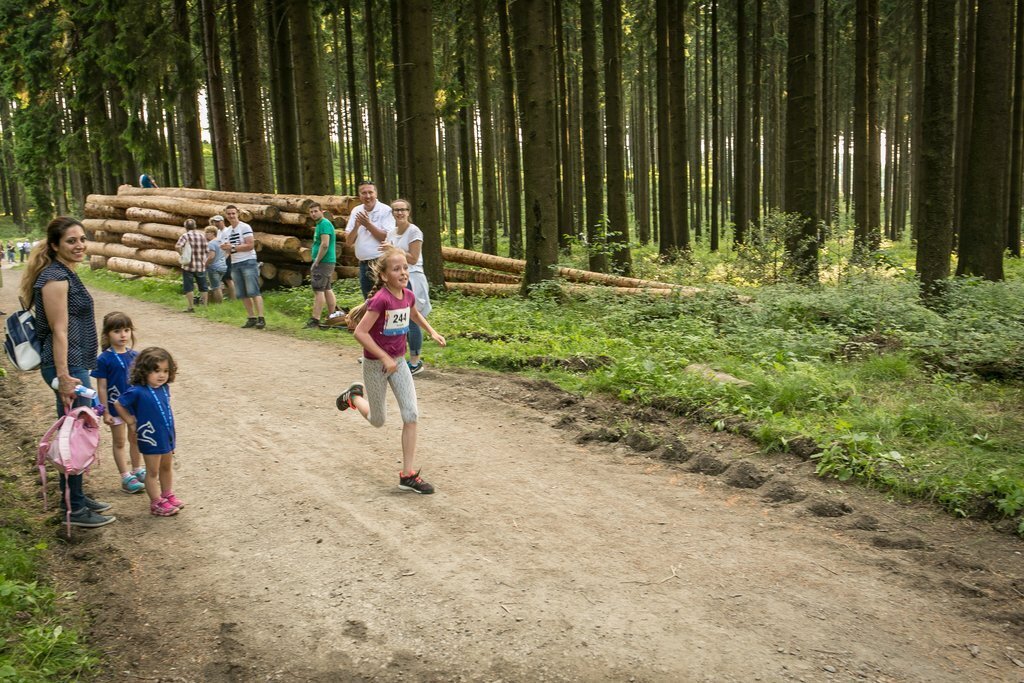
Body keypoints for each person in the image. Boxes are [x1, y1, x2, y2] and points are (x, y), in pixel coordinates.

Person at [21, 217, 115, 528]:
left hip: (73, 363)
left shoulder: (65, 273)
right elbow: (58, 331)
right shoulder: (55, 278)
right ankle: (73, 508)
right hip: (66, 366)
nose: (79, 245)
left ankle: (76, 497)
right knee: (74, 436)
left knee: (75, 432)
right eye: (71, 241)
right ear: (55, 245)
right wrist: (63, 376)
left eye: (82, 239)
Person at [336, 247, 447, 494]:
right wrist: (384, 357)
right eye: (397, 269)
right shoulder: (381, 299)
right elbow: (360, 333)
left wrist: (432, 332)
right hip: (376, 365)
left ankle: (408, 475)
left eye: (405, 267)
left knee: (411, 415)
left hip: (399, 363)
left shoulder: (407, 295)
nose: (404, 272)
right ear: (384, 276)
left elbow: (414, 314)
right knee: (378, 420)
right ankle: (354, 397)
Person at [114, 347, 183, 517]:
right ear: (144, 371)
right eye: (156, 370)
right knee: (152, 471)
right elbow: (118, 403)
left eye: (166, 371)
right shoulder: (137, 390)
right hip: (150, 437)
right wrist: (131, 422)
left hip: (166, 435)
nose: (162, 375)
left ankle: (167, 494)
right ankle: (156, 502)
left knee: (166, 467)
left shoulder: (164, 388)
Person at [92, 311, 146, 494]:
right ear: (107, 334)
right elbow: (101, 387)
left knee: (135, 439)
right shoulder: (103, 359)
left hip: (134, 407)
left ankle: (137, 470)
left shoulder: (136, 356)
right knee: (120, 441)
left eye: (126, 330)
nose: (123, 335)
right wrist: (105, 411)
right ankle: (125, 477)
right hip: (115, 408)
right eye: (117, 331)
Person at [385, 198, 432, 375]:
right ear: (392, 213)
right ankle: (397, 357)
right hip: (395, 279)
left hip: (412, 278)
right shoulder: (391, 233)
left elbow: (413, 258)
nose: (400, 213)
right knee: (396, 318)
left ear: (408, 212)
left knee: (412, 319)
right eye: (396, 210)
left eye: (403, 209)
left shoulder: (414, 231)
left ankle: (415, 361)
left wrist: (393, 249)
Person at [345, 181, 394, 299]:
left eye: (370, 192)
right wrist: (356, 227)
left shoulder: (385, 210)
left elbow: (387, 237)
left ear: (376, 193)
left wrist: (368, 225)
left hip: (381, 262)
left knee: (385, 298)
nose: (367, 196)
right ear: (359, 195)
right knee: (369, 300)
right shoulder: (356, 211)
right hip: (364, 264)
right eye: (364, 193)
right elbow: (349, 241)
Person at [221, 205, 265, 329]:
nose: (231, 216)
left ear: (237, 214)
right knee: (242, 293)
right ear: (225, 215)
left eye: (233, 213)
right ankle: (251, 317)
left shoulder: (245, 227)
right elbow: (227, 249)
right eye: (229, 214)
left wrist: (232, 247)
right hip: (235, 263)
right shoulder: (226, 231)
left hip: (248, 261)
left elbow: (250, 245)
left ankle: (261, 318)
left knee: (253, 290)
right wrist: (224, 252)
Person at [305, 201, 341, 328]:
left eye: (316, 211)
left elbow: (325, 244)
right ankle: (332, 317)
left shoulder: (324, 224)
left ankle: (315, 319)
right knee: (327, 289)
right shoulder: (320, 224)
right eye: (311, 212)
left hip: (323, 262)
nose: (313, 214)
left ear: (322, 211)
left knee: (318, 290)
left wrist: (317, 261)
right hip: (326, 261)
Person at [175, 219, 209, 312]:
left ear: (185, 227)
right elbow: (207, 250)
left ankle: (191, 307)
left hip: (188, 265)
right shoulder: (202, 236)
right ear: (195, 226)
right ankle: (204, 307)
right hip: (200, 265)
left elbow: (177, 246)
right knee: (203, 287)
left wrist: (182, 254)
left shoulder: (185, 236)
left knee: (189, 287)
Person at [204, 225, 227, 304]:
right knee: (218, 286)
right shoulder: (221, 241)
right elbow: (227, 252)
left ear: (213, 233)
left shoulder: (211, 243)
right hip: (223, 266)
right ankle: (217, 303)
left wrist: (205, 264)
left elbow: (211, 257)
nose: (206, 234)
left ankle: (219, 304)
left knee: (216, 288)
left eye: (207, 233)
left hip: (214, 267)